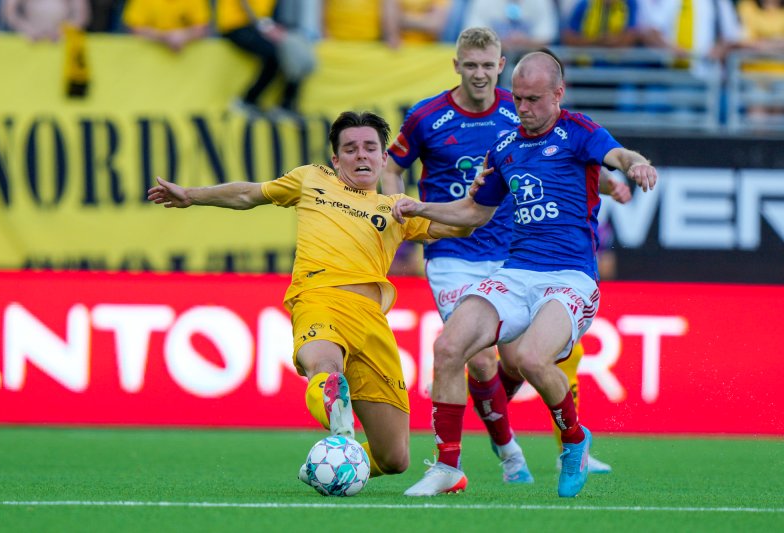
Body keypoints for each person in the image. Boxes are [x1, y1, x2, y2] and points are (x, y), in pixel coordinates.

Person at [147, 111, 473, 487]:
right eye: (350, 149)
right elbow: (247, 193)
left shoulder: (397, 208)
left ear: (385, 159)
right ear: (336, 159)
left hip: (371, 320)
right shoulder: (312, 179)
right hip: (318, 298)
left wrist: (476, 192)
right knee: (325, 364)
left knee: (394, 457)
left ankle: (329, 463)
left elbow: (461, 224)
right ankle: (338, 422)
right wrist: (190, 195)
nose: (361, 156)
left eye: (370, 148)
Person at [393, 51, 657, 497]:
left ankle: (574, 441)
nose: (524, 108)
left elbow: (617, 153)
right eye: (517, 98)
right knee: (448, 346)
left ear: (558, 94)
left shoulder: (578, 131)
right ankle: (446, 467)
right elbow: (474, 211)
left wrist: (635, 164)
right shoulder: (505, 146)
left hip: (570, 277)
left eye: (534, 99)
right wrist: (421, 207)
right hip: (516, 272)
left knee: (534, 359)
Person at [217, 0, 318, 118]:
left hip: (258, 25)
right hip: (236, 25)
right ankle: (248, 100)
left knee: (294, 51)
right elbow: (246, 6)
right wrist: (266, 28)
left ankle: (287, 104)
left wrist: (275, 28)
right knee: (276, 54)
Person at [122, 0, 210, 53]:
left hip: (187, 65)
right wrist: (164, 37)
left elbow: (202, 28)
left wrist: (183, 36)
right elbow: (134, 28)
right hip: (147, 64)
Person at [2, 0, 89, 41]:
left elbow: (82, 15)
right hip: (29, 40)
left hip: (62, 40)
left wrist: (63, 30)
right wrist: (26, 29)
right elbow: (8, 13)